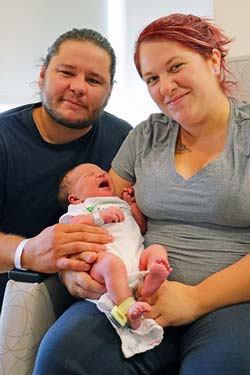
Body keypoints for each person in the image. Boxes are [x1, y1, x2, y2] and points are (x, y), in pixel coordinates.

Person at [33, 13, 250, 375]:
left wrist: (195, 299)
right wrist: (72, 272)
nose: (165, 87)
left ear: (213, 60)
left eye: (176, 66)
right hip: (134, 290)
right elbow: (102, 205)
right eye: (152, 78)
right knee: (63, 359)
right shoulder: (147, 136)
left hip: (230, 303)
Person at [0, 28, 132, 308]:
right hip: (12, 306)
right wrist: (28, 251)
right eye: (67, 73)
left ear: (109, 91)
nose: (79, 87)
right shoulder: (4, 138)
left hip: (100, 296)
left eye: (94, 79)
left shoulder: (124, 140)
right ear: (42, 75)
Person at [58, 163, 172, 330]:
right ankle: (127, 309)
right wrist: (99, 217)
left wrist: (131, 205)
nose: (101, 174)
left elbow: (139, 227)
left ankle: (149, 284)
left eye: (102, 171)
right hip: (103, 265)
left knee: (156, 249)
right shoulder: (83, 208)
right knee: (112, 264)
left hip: (136, 259)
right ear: (74, 198)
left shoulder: (119, 203)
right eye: (89, 175)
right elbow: (75, 225)